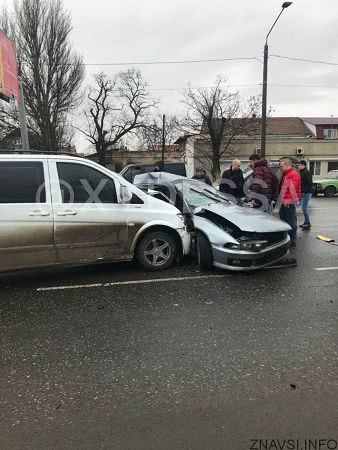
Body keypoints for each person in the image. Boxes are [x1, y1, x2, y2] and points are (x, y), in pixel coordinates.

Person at [279, 158, 301, 247]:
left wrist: (287, 200)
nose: (281, 168)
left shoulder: (293, 174)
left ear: (287, 165)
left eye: (282, 166)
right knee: (284, 218)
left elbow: (292, 189)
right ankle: (287, 237)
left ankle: (292, 240)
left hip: (289, 201)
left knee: (291, 220)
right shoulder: (287, 174)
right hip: (285, 200)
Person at [298, 160, 313, 230]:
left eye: (299, 165)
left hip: (307, 193)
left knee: (304, 208)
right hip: (304, 192)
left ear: (303, 165)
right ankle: (306, 222)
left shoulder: (307, 172)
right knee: (303, 208)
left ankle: (308, 223)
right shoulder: (302, 172)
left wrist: (304, 192)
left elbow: (309, 183)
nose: (298, 166)